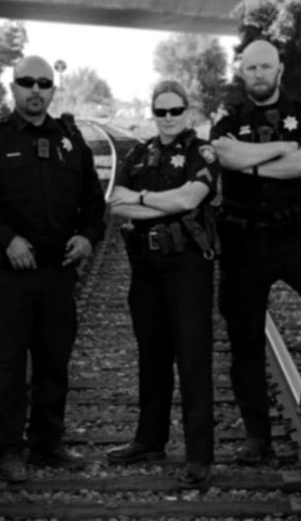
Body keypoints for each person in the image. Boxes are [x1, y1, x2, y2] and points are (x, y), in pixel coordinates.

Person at [0, 55, 105, 483]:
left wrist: (88, 236)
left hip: (57, 273)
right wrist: (6, 239)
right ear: (13, 87)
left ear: (53, 89)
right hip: (6, 275)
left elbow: (93, 202)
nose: (36, 90)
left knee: (53, 361)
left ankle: (47, 442)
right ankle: (7, 448)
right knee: (5, 362)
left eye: (44, 83)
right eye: (27, 82)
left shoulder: (69, 141)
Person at [210, 39, 301, 464]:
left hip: (293, 238)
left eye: (265, 67)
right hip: (242, 242)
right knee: (245, 342)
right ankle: (259, 439)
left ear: (279, 69)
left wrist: (247, 162)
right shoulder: (228, 116)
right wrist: (276, 153)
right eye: (251, 67)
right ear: (242, 72)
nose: (258, 74)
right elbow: (222, 153)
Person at [106, 81, 219, 487]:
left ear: (187, 112)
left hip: (188, 267)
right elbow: (113, 202)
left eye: (175, 111)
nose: (168, 118)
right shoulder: (138, 153)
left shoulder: (201, 152)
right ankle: (149, 439)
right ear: (153, 112)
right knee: (152, 358)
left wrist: (140, 200)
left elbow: (190, 200)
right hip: (147, 269)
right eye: (161, 111)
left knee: (192, 360)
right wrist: (153, 201)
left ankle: (199, 456)